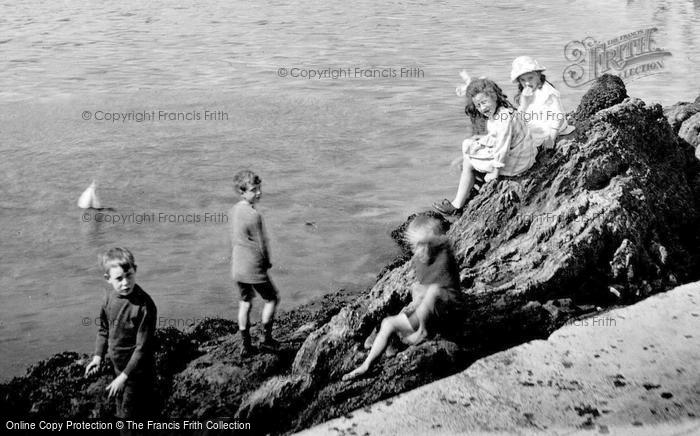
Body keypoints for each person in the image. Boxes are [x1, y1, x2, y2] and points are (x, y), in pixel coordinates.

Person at [342, 215, 461, 381]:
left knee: (433, 290)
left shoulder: (444, 252)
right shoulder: (418, 261)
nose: (423, 250)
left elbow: (441, 238)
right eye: (418, 246)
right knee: (388, 322)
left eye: (427, 245)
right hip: (430, 314)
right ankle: (366, 364)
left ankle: (422, 333)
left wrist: (427, 237)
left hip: (451, 311)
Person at [434, 78, 537, 215]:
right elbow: (497, 137)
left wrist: (495, 172)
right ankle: (471, 182)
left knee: (468, 161)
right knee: (468, 144)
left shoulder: (503, 118)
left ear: (494, 97)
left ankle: (457, 204)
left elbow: (503, 146)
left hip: (518, 161)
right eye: (478, 105)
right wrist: (481, 142)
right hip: (521, 152)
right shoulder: (500, 112)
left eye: (484, 102)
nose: (482, 108)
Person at [85, 247, 157, 420]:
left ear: (135, 270)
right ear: (108, 279)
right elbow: (103, 329)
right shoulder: (109, 299)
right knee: (121, 412)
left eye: (129, 275)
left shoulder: (144, 306)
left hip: (137, 373)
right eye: (119, 279)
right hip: (118, 368)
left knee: (129, 416)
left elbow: (142, 348)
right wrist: (98, 357)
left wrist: (123, 378)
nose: (125, 283)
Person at [230, 170, 280, 356]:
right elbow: (262, 243)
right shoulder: (255, 215)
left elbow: (236, 238)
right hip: (253, 267)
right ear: (242, 192)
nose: (258, 193)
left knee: (245, 302)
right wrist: (267, 262)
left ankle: (246, 344)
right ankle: (267, 339)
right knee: (272, 299)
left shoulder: (234, 210)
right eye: (253, 190)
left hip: (237, 267)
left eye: (259, 188)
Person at [510, 56, 574, 150]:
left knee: (520, 144)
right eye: (523, 80)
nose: (527, 83)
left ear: (538, 75)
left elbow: (558, 116)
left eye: (530, 78)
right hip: (538, 121)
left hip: (551, 127)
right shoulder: (527, 91)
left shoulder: (547, 92)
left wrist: (551, 138)